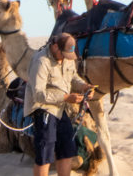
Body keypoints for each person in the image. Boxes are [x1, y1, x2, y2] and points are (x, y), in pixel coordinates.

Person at [24, 32, 90, 176]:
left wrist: (85, 87)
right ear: (55, 47)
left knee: (66, 150)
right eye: (64, 55)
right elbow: (39, 94)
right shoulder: (41, 61)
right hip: (43, 109)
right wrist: (66, 97)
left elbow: (73, 77)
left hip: (61, 109)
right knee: (44, 155)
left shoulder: (67, 58)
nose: (65, 59)